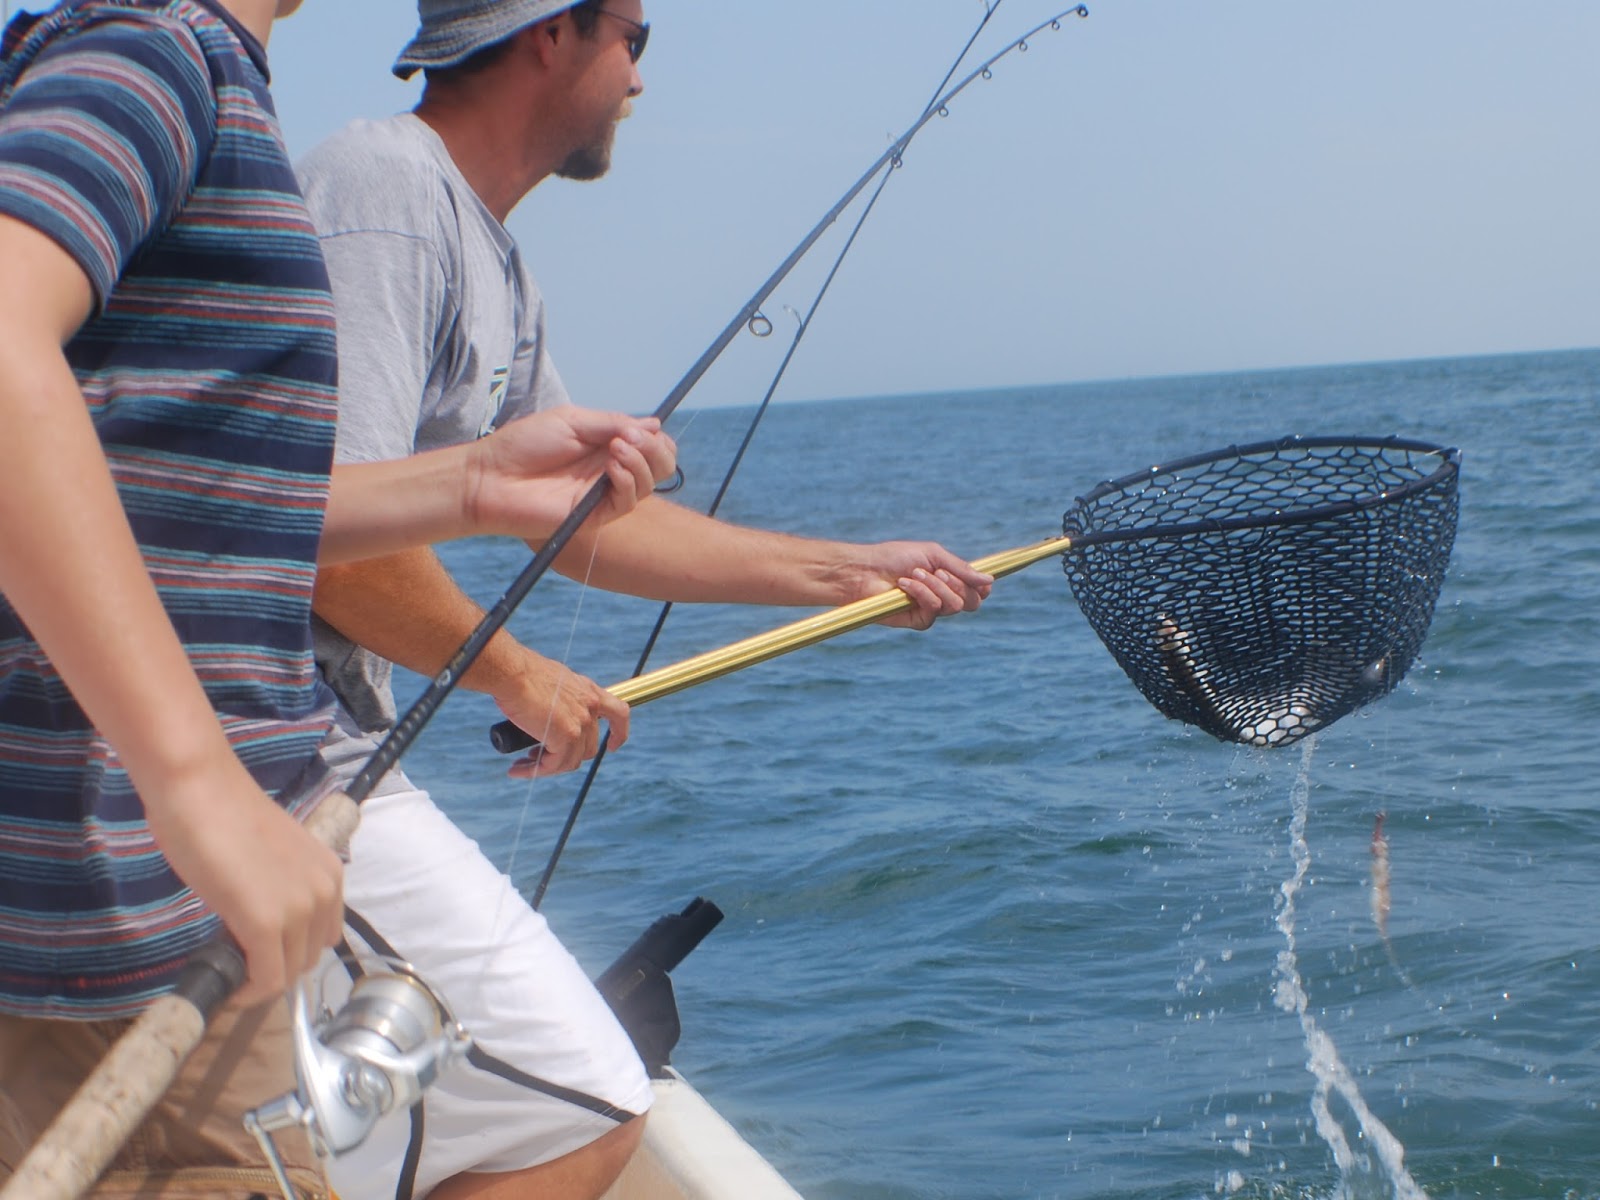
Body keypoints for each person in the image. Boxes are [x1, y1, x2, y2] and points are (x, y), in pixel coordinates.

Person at [296, 2, 995, 1197]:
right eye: (633, 35)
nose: (641, 77)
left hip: (339, 751)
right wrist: (524, 677)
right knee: (586, 1106)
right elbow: (324, 537)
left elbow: (585, 524)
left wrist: (848, 575)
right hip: (280, 759)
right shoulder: (384, 190)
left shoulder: (492, 256)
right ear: (544, 34)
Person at [0, 1, 674, 1196]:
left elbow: (191, 496)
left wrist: (470, 481)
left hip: (173, 925)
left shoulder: (215, 84)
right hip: (121, 924)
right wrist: (197, 784)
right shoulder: (156, 52)